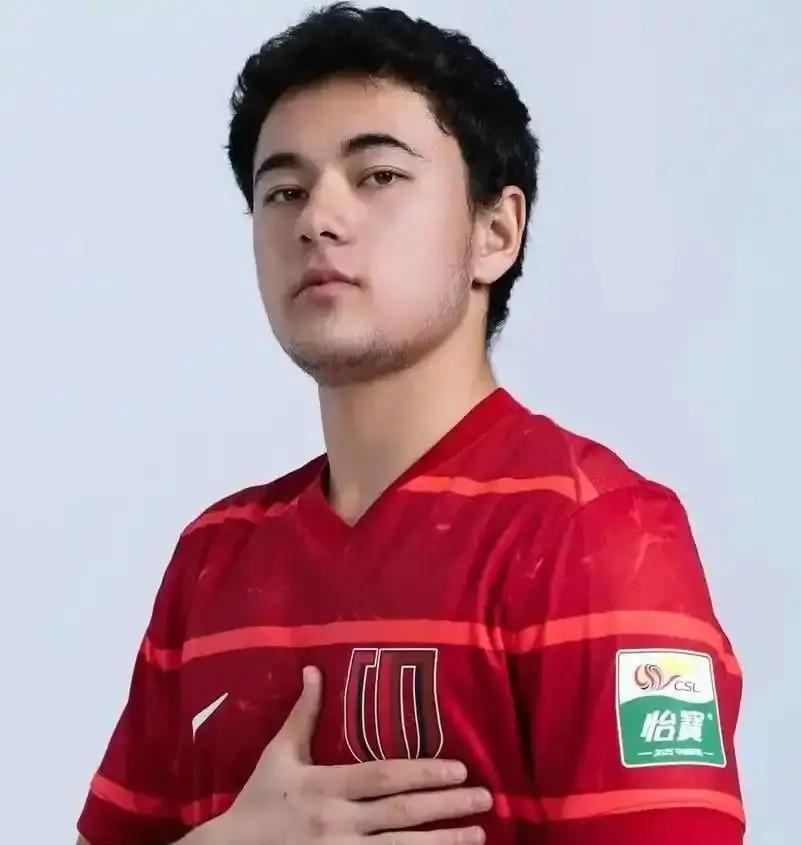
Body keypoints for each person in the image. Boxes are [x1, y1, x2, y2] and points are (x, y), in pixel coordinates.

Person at [75, 4, 745, 844]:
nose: (317, 218)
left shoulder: (595, 532)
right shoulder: (212, 556)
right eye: (282, 190)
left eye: (379, 176)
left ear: (494, 232)